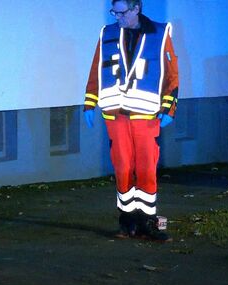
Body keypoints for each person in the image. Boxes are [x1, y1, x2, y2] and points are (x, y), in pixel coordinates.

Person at [83, 0, 178, 241]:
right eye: (114, 12)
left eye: (121, 12)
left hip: (146, 116)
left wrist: (169, 109)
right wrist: (89, 103)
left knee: (146, 169)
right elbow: (96, 69)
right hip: (115, 115)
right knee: (123, 168)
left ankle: (149, 224)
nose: (117, 17)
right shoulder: (107, 33)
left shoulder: (160, 33)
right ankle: (127, 223)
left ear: (136, 9)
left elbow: (171, 74)